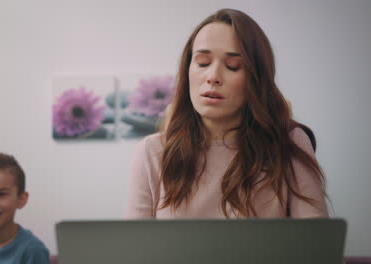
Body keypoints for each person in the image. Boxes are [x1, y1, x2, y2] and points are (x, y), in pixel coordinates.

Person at [126, 9, 328, 219]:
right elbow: (136, 248)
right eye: (202, 63)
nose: (213, 76)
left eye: (233, 66)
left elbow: (315, 244)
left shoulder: (289, 143)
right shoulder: (152, 152)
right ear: (187, 70)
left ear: (256, 79)